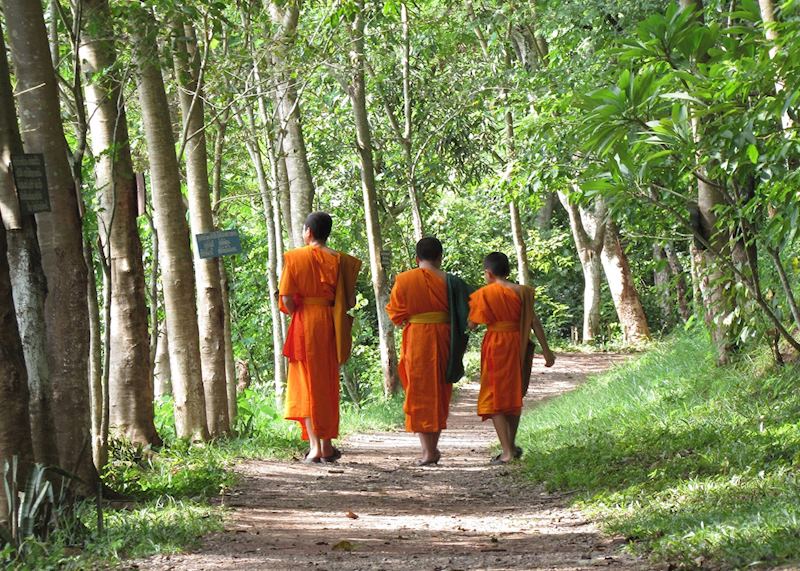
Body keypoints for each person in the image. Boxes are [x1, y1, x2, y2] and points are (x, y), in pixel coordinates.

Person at [280, 212, 361, 464]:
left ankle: (314, 447)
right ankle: (326, 446)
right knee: (326, 384)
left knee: (306, 384)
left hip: (305, 323)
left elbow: (285, 298)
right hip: (330, 323)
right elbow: (349, 300)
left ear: (308, 232)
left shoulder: (294, 257)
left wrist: (300, 314)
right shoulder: (340, 260)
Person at [386, 237, 469, 466]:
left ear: (417, 258)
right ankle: (431, 450)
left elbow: (396, 316)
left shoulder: (404, 280)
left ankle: (428, 451)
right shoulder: (452, 281)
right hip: (444, 338)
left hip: (417, 340)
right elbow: (467, 314)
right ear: (440, 257)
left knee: (419, 391)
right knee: (439, 390)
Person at [468, 252, 555, 465]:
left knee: (494, 397)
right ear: (508, 271)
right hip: (519, 343)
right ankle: (511, 445)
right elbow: (534, 322)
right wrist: (546, 351)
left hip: (496, 345)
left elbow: (472, 325)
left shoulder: (484, 294)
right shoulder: (522, 292)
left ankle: (506, 451)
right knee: (514, 395)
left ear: (488, 273)